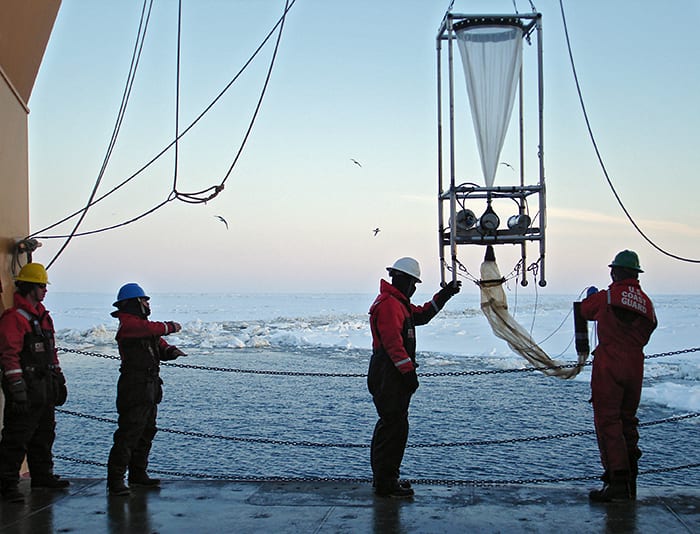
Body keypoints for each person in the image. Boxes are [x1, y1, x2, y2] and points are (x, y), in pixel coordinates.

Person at [368, 257, 460, 498]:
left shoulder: (398, 303)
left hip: (391, 374)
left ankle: (387, 479)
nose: (415, 288)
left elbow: (422, 315)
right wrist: (408, 373)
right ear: (402, 280)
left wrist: (444, 295)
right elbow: (393, 344)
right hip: (390, 375)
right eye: (413, 283)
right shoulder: (389, 305)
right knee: (393, 428)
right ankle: (386, 483)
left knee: (394, 427)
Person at [580, 250, 657, 502]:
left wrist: (592, 297)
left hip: (610, 364)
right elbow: (651, 326)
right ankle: (631, 478)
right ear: (636, 273)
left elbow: (586, 310)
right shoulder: (646, 302)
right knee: (627, 420)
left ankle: (617, 482)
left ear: (617, 272)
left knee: (608, 422)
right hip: (635, 365)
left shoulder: (608, 296)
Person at [106, 283, 187, 496]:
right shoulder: (130, 326)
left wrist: (169, 351)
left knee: (146, 431)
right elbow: (153, 330)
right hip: (134, 387)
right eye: (144, 300)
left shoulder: (141, 326)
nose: (148, 304)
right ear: (135, 303)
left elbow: (157, 343)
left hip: (148, 387)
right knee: (129, 433)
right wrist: (171, 326)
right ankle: (115, 481)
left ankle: (137, 474)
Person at [0, 263, 69, 503]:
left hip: (44, 386)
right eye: (41, 285)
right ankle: (7, 484)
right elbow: (9, 354)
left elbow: (51, 351)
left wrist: (58, 376)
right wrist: (16, 386)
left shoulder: (43, 317)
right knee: (17, 436)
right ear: (30, 287)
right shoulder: (14, 318)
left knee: (44, 433)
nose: (45, 290)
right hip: (27, 386)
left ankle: (42, 476)